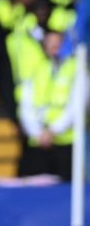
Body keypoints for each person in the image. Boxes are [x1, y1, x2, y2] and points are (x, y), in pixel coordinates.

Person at [18, 25, 81, 182]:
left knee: (65, 194)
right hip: (38, 141)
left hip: (66, 142)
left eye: (57, 44)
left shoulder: (76, 69)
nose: (54, 48)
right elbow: (26, 105)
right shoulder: (37, 69)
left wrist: (53, 131)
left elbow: (76, 106)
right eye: (50, 44)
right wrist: (37, 132)